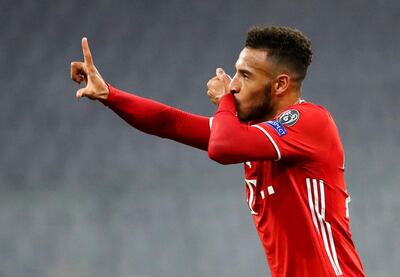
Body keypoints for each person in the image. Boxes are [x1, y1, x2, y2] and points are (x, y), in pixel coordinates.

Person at [70, 26, 366, 277]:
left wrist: (225, 103)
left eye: (246, 76)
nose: (233, 85)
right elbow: (171, 123)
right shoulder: (253, 135)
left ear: (280, 85)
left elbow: (222, 148)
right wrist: (110, 94)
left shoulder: (310, 122)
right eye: (235, 73)